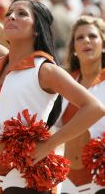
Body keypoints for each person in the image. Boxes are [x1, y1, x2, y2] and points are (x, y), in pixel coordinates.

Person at [0, 0, 104, 194]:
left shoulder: (45, 70)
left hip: (22, 177)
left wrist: (50, 145)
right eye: (9, 13)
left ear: (36, 29)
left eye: (21, 14)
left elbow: (94, 108)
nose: (11, 17)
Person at [58, 15, 105, 194]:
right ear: (74, 48)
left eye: (92, 36)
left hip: (100, 182)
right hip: (68, 183)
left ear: (103, 45)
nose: (86, 40)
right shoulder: (64, 83)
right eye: (80, 37)